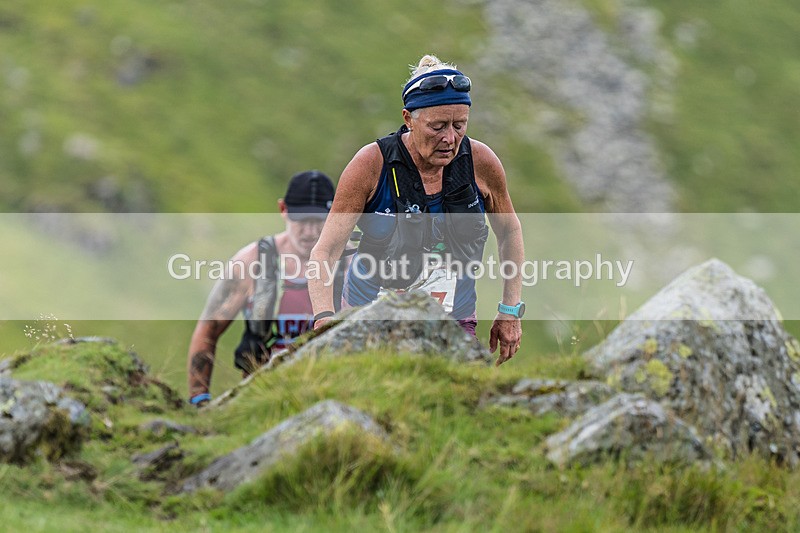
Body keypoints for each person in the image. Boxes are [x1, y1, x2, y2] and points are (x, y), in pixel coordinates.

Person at [308, 55, 524, 366]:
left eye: (459, 125)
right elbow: (325, 251)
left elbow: (509, 232)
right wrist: (324, 320)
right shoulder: (371, 165)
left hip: (454, 320)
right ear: (408, 119)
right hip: (367, 319)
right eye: (438, 126)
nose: (450, 138)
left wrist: (510, 309)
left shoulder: (481, 162)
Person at [187, 170, 342, 407]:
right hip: (259, 401)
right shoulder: (252, 262)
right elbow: (207, 330)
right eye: (301, 220)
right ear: (283, 210)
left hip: (333, 396)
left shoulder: (353, 262)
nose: (310, 232)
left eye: (318, 220)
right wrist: (199, 400)